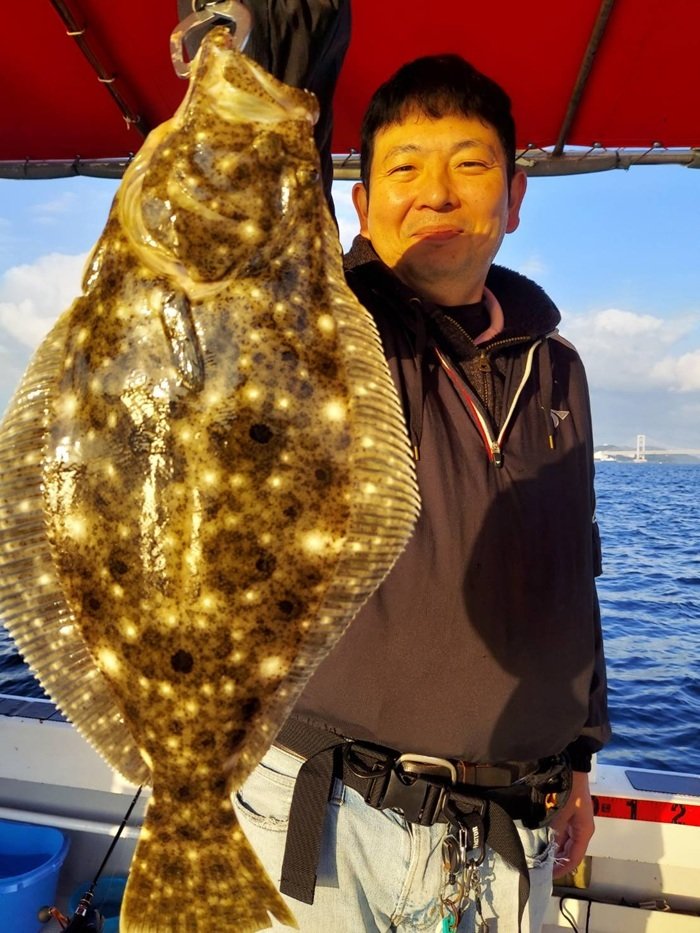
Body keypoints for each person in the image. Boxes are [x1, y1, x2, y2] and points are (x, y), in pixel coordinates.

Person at [233, 53, 611, 932]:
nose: (436, 193)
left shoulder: (559, 369)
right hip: (329, 816)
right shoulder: (319, 329)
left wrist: (578, 760)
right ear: (361, 205)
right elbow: (252, 216)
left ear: (515, 197)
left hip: (514, 827)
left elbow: (575, 573)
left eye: (469, 164)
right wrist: (268, 42)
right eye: (404, 168)